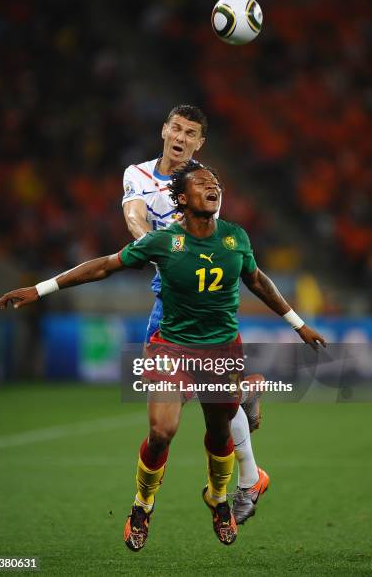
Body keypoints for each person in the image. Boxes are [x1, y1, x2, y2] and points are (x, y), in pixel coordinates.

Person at [0, 161, 326, 551]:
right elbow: (104, 266)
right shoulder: (164, 241)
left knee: (221, 433)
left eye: (216, 183)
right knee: (161, 432)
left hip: (221, 350)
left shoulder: (236, 237)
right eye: (203, 183)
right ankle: (142, 506)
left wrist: (297, 323)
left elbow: (256, 280)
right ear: (182, 199)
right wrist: (40, 289)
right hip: (171, 347)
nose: (213, 187)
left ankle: (219, 499)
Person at [122, 104, 269, 525]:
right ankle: (248, 471)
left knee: (208, 405)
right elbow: (133, 216)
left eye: (191, 133)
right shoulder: (137, 174)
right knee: (186, 413)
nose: (182, 138)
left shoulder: (204, 184)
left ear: (199, 143)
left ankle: (246, 479)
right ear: (164, 130)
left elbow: (206, 241)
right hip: (165, 297)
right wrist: (151, 245)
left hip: (199, 302)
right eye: (177, 128)